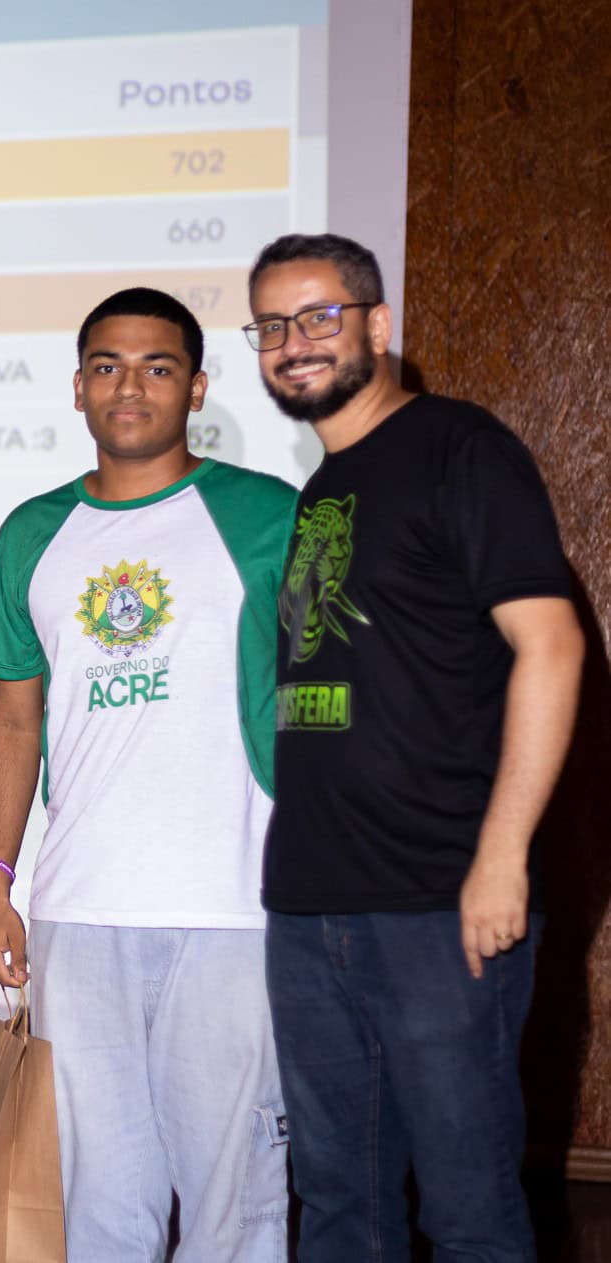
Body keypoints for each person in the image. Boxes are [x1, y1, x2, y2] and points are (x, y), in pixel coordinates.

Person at [247, 233, 583, 1261]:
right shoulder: (324, 486)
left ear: (378, 325)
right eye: (271, 325)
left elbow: (553, 645)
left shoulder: (456, 448)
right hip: (308, 904)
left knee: (468, 1212)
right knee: (336, 1205)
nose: (293, 342)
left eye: (318, 316)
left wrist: (501, 855)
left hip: (440, 902)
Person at [0, 288, 298, 1260]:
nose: (129, 386)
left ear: (196, 388)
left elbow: (335, 694)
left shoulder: (268, 517)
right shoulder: (31, 532)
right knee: (98, 1197)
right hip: (78, 910)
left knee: (234, 1198)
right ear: (77, 387)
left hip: (232, 907)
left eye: (157, 366)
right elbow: (12, 717)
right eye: (107, 366)